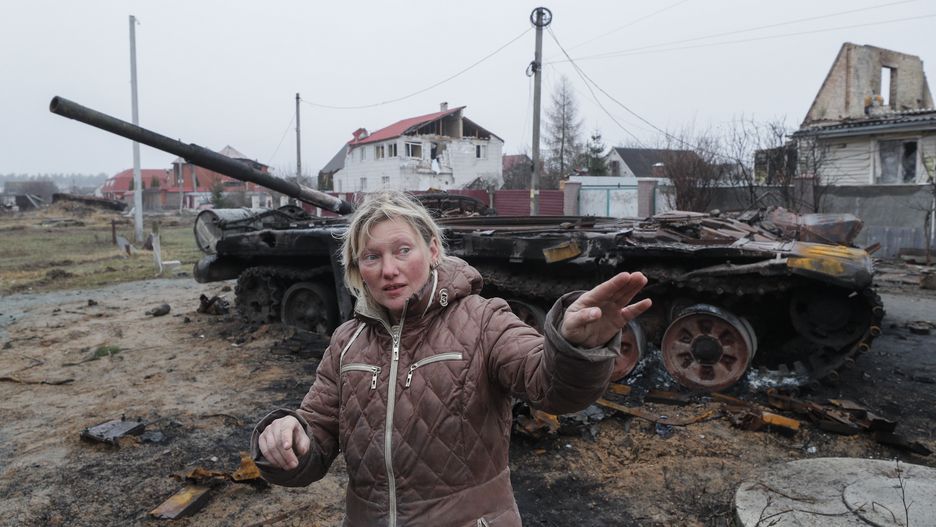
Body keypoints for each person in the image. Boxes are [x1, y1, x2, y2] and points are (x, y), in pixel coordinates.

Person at [251, 190, 652, 527]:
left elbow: (549, 384)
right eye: (371, 257)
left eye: (402, 250)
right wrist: (290, 440)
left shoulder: (482, 320)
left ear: (433, 249)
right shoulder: (347, 341)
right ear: (358, 268)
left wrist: (574, 349)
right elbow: (317, 432)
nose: (389, 269)